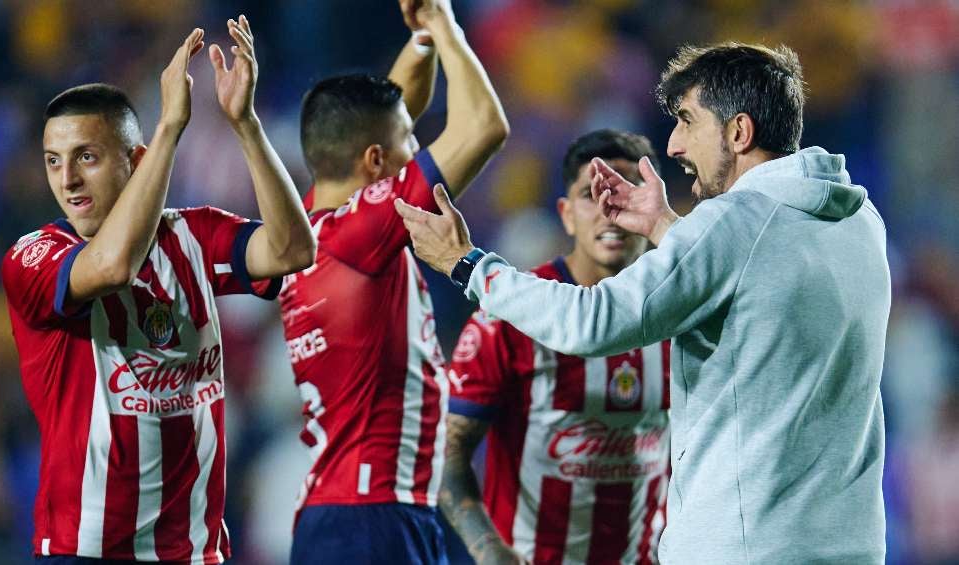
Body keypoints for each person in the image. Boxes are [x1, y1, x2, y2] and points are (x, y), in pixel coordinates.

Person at [396, 42, 890, 564]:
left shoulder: (733, 225)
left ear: (739, 133)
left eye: (687, 121)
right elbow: (755, 278)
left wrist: (468, 264)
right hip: (850, 547)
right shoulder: (858, 222)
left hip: (746, 548)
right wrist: (664, 229)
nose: (674, 145)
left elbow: (592, 322)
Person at [0, 18, 315, 564]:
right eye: (55, 160)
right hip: (86, 549)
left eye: (87, 157)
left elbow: (292, 251)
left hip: (193, 551)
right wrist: (170, 126)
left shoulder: (194, 236)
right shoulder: (32, 256)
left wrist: (246, 126)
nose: (67, 179)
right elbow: (114, 265)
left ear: (136, 161)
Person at [278, 0, 508, 562]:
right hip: (376, 518)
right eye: (410, 141)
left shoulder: (313, 220)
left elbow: (389, 107)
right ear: (377, 163)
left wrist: (425, 33)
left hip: (341, 515)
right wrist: (450, 28)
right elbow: (485, 126)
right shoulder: (366, 230)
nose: (418, 150)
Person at [441, 130, 671, 565]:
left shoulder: (682, 314)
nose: (609, 209)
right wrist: (489, 551)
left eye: (626, 191)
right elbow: (447, 456)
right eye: (591, 194)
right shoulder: (508, 316)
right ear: (566, 215)